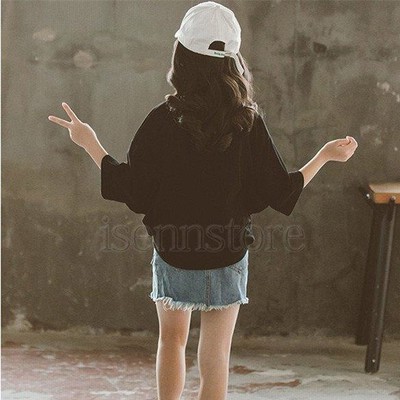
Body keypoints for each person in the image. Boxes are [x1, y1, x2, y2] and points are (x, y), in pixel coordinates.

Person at [48, 1, 358, 399]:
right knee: (216, 354)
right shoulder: (248, 121)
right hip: (227, 253)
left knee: (171, 342)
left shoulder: (162, 119)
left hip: (174, 251)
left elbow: (135, 190)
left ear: (182, 56)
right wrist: (325, 156)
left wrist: (90, 143)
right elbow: (279, 189)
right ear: (233, 62)